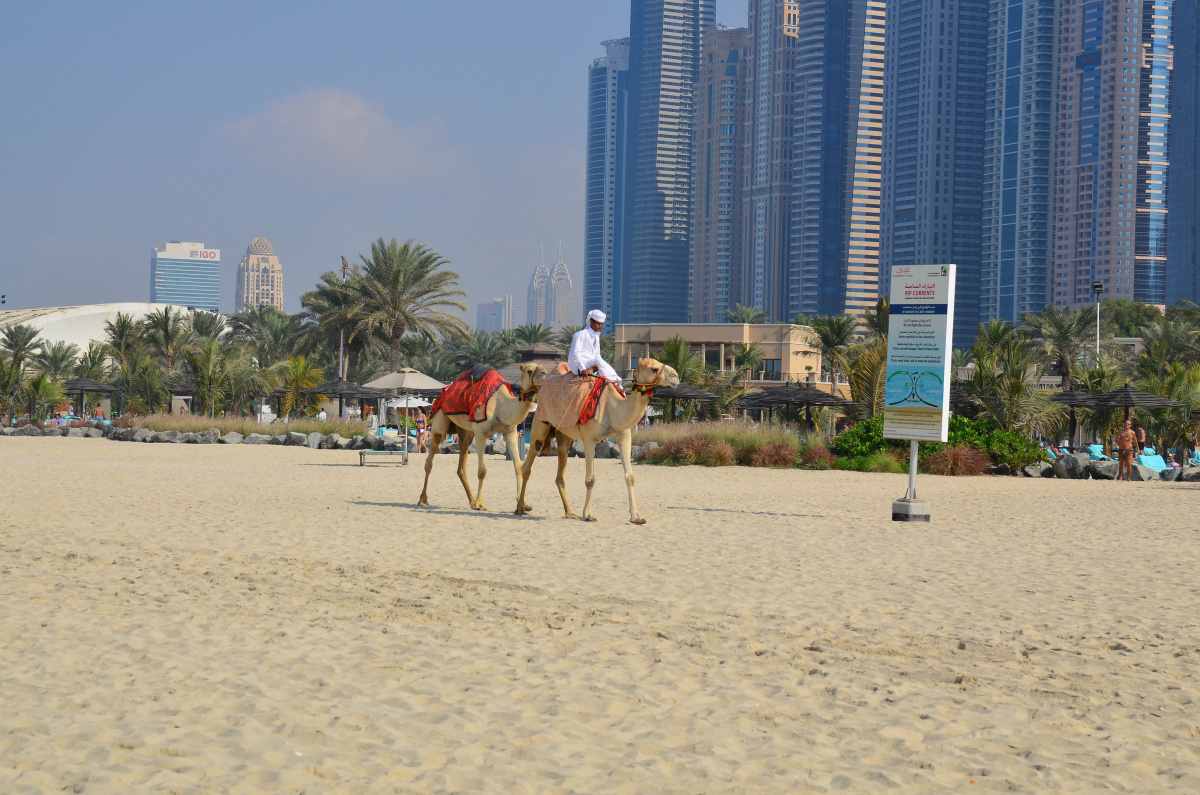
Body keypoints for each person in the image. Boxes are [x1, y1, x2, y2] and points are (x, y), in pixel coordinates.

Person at [568, 309, 621, 382]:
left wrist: (594, 366)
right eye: (598, 324)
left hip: (591, 363)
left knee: (600, 361)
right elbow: (576, 353)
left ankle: (616, 383)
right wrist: (583, 369)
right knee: (599, 360)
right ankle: (616, 380)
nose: (600, 326)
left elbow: (597, 354)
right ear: (591, 322)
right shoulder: (580, 334)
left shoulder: (596, 336)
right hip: (577, 365)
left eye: (601, 324)